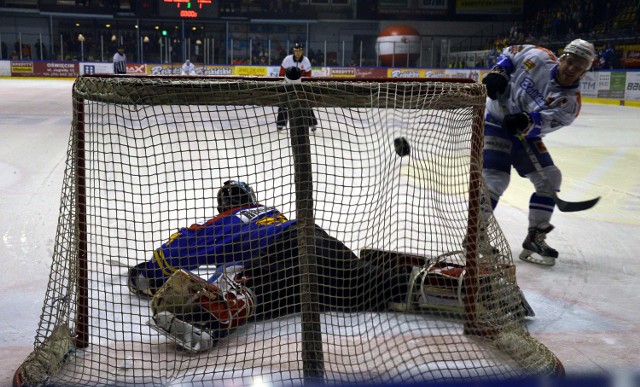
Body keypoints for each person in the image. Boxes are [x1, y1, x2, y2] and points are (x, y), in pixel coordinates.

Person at [129, 180, 531, 352]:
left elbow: (172, 255)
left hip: (280, 258)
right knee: (364, 285)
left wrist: (144, 274)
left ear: (224, 206)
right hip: (316, 238)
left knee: (249, 287)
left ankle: (212, 315)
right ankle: (464, 286)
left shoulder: (222, 222)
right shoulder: (271, 212)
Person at [480, 39, 595, 266]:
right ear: (563, 57)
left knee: (550, 178)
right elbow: (510, 53)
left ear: (585, 71)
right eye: (570, 62)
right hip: (495, 122)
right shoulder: (539, 56)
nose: (572, 69)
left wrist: (527, 121)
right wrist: (500, 70)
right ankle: (475, 234)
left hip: (525, 135)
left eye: (579, 67)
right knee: (496, 179)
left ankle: (535, 237)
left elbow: (544, 123)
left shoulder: (570, 103)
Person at [276, 42, 318, 131]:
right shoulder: (287, 59)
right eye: (296, 50)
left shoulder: (306, 61)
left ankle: (312, 123)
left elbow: (308, 76)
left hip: (301, 86)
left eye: (299, 50)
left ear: (302, 51)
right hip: (288, 85)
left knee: (306, 103)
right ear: (293, 51)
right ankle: (281, 123)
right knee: (283, 102)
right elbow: (281, 73)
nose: (298, 52)